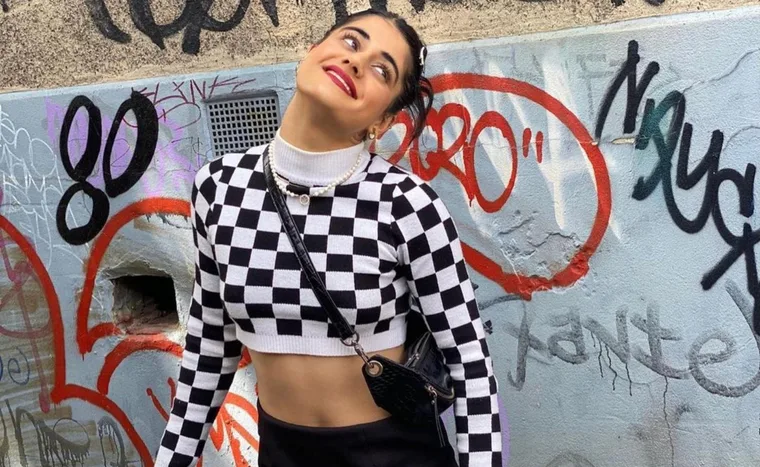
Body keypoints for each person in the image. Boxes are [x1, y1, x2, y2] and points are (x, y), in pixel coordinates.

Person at [154, 8, 502, 467]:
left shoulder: (406, 203)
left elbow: (470, 363)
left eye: (382, 69)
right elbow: (209, 350)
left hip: (395, 453)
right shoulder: (220, 187)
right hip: (282, 453)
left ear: (382, 119)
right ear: (310, 54)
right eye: (351, 42)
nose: (357, 62)